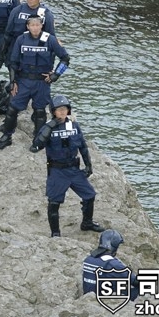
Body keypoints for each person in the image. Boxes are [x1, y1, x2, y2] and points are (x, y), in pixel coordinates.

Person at [30, 94, 105, 235]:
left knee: (89, 195)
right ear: (53, 111)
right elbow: (36, 146)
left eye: (65, 109)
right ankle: (55, 233)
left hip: (73, 169)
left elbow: (83, 146)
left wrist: (88, 165)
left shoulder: (74, 126)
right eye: (59, 109)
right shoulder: (48, 128)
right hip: (57, 170)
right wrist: (48, 128)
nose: (63, 112)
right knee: (54, 202)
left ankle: (87, 222)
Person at [0, 15, 69, 149]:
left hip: (42, 82)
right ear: (28, 26)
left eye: (37, 25)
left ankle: (38, 139)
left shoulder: (50, 40)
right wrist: (13, 81)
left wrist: (56, 75)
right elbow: (13, 63)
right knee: (12, 108)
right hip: (23, 80)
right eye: (32, 25)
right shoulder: (21, 39)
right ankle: (7, 136)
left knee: (40, 111)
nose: (35, 28)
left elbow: (65, 58)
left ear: (41, 25)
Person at [0, 0, 56, 66]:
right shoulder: (17, 11)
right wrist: (3, 54)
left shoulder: (46, 15)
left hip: (35, 53)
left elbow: (51, 40)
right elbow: (8, 34)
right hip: (16, 50)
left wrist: (50, 63)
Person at [82, 229, 139, 300]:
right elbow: (136, 282)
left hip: (88, 296)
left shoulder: (88, 259)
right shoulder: (112, 264)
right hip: (104, 299)